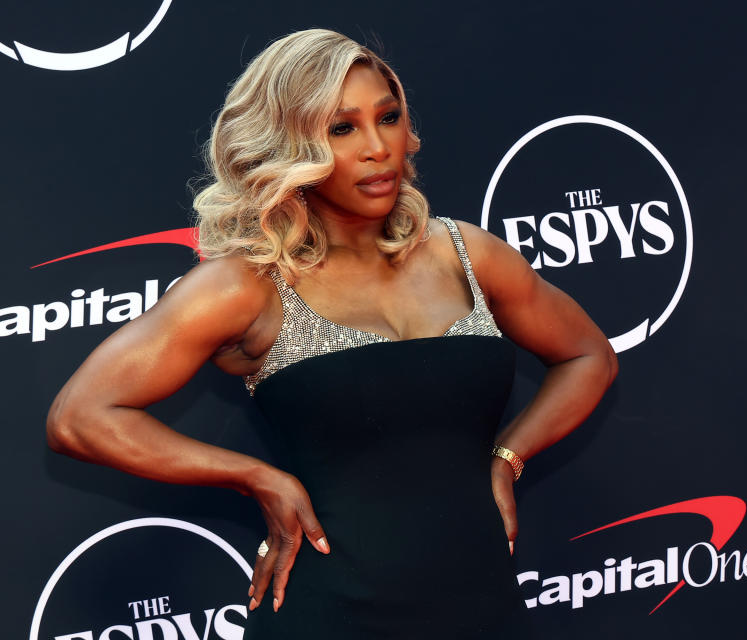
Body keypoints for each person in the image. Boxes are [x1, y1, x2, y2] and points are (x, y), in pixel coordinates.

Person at [46, 29, 617, 638]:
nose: (378, 148)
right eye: (341, 129)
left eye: (389, 118)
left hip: (482, 606)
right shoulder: (250, 285)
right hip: (329, 611)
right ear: (289, 148)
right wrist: (254, 476)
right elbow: (79, 417)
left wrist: (508, 457)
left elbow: (589, 355)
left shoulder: (465, 254)